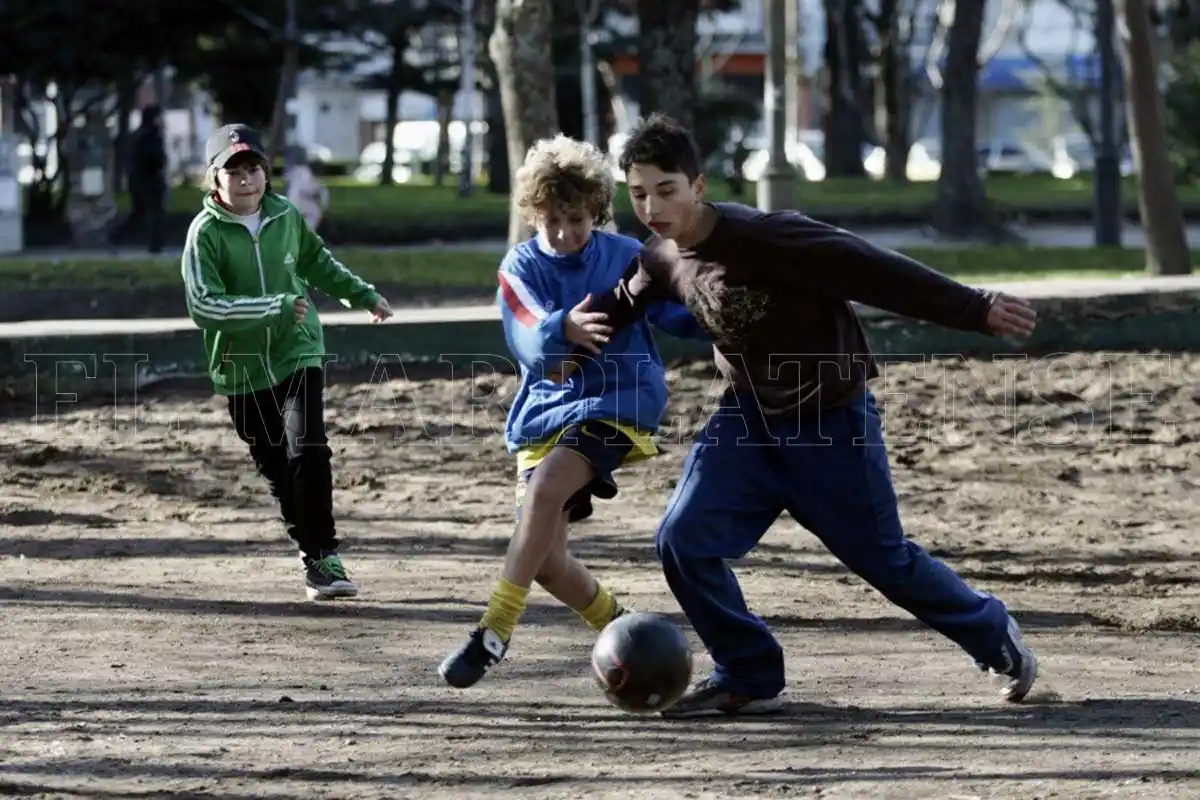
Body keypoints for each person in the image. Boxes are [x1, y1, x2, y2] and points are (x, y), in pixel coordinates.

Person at [560, 113, 1042, 717]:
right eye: (638, 194)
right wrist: (573, 334)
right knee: (684, 540)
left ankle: (991, 630)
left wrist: (976, 308)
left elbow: (876, 270)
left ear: (698, 185)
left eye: (666, 190)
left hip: (830, 423)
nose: (653, 207)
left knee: (884, 560)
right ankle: (747, 670)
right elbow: (622, 301)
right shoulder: (661, 258)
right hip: (747, 424)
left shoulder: (771, 237)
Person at [438, 134, 706, 689]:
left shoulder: (627, 255)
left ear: (597, 212)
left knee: (547, 489)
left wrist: (718, 303)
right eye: (551, 221)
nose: (563, 233)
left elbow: (682, 312)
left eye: (577, 219)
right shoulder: (519, 266)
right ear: (534, 215)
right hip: (546, 412)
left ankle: (494, 630)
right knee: (545, 562)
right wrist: (562, 327)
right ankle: (618, 622)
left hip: (620, 398)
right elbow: (526, 334)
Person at [181, 123, 393, 601]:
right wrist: (270, 308)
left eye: (253, 168)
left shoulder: (284, 214)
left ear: (266, 172)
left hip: (298, 348)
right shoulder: (204, 235)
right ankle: (309, 547)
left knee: (309, 449)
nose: (246, 180)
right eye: (233, 171)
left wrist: (362, 295)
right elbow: (203, 305)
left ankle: (324, 558)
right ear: (214, 179)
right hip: (241, 367)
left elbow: (317, 263)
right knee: (278, 466)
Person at [110, 104, 167, 253]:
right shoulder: (151, 136)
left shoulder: (137, 135)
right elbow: (155, 158)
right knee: (155, 212)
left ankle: (116, 237)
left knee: (138, 213)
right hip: (150, 180)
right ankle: (155, 245)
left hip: (137, 180)